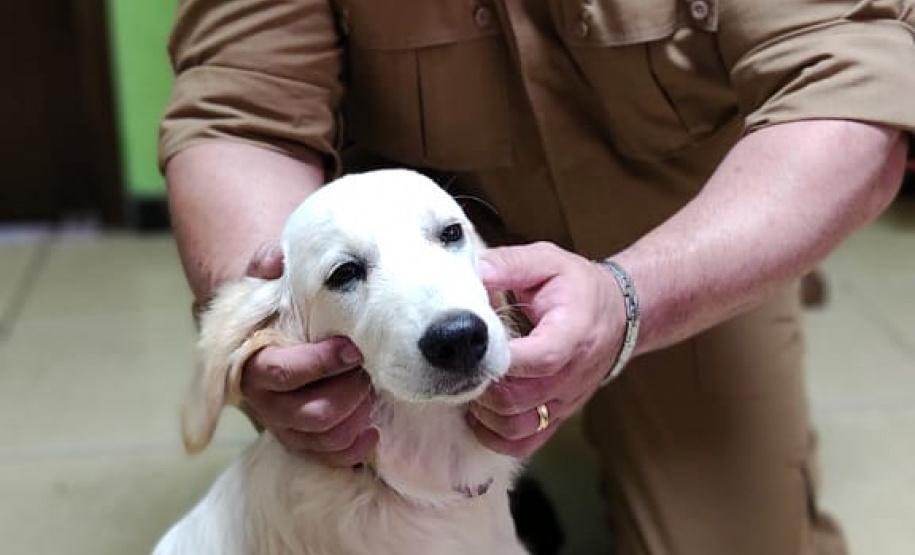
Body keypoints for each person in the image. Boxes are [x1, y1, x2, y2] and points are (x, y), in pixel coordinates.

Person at [160, 1, 915, 553]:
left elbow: (852, 85)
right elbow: (237, 111)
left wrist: (630, 303)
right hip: (431, 225)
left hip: (688, 244)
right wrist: (276, 311)